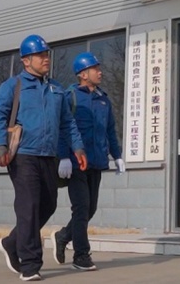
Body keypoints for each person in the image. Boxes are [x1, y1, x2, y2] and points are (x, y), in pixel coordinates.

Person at [0, 34, 87, 282]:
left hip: (48, 156)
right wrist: (0, 145)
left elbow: (67, 122)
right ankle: (30, 264)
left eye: (47, 54)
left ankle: (12, 242)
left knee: (48, 204)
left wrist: (77, 148)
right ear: (26, 60)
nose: (46, 59)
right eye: (40, 55)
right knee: (29, 206)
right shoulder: (13, 86)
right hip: (23, 155)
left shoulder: (56, 88)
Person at [52, 51, 124, 272]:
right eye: (95, 69)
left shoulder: (104, 100)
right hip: (76, 163)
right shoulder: (70, 97)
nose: (100, 72)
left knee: (90, 209)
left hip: (97, 162)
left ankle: (63, 236)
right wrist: (64, 156)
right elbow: (62, 128)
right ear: (83, 74)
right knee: (81, 208)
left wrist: (117, 155)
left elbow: (110, 130)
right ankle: (81, 255)